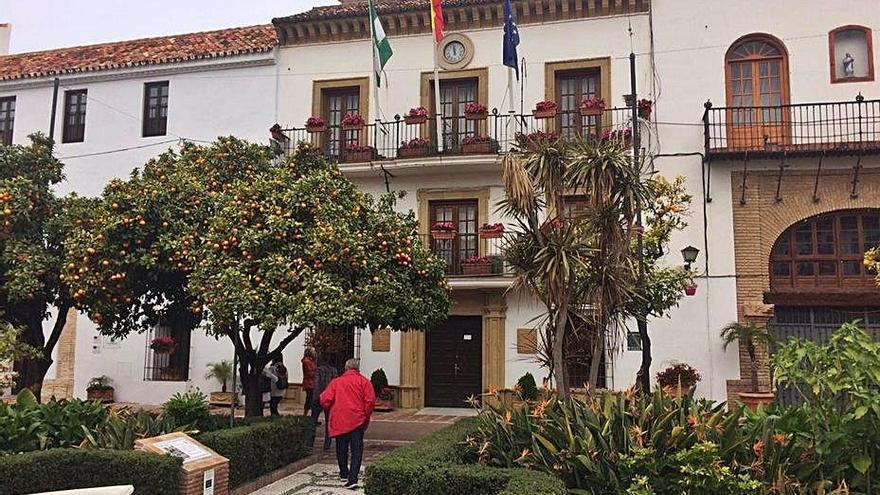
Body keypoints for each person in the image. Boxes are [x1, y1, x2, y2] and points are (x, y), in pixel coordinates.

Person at [320, 358, 375, 490]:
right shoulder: (364, 382)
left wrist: (330, 407)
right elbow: (370, 401)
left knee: (341, 449)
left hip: (340, 420)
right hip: (357, 420)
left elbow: (324, 399)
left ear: (346, 368)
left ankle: (344, 473)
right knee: (356, 450)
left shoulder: (336, 382)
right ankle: (353, 478)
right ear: (357, 369)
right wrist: (365, 415)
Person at [312, 355, 338, 450]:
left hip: (318, 398)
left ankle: (310, 442)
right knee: (328, 422)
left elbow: (316, 384)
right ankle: (327, 444)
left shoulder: (318, 370)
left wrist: (317, 397)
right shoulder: (334, 371)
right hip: (330, 398)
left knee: (313, 421)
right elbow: (335, 385)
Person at [301, 347, 317, 416]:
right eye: (313, 351)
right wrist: (316, 372)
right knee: (309, 399)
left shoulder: (312, 361)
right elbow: (309, 373)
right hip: (309, 383)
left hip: (312, 382)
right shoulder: (307, 361)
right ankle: (305, 414)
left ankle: (309, 415)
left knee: (311, 399)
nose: (315, 352)